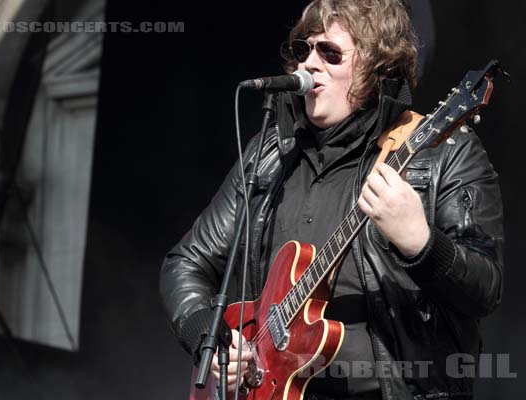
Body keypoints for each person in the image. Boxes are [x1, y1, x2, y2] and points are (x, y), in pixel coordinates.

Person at [160, 0, 504, 399]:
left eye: (330, 53)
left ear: (378, 67)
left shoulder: (443, 153)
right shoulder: (269, 156)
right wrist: (210, 336)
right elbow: (187, 261)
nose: (309, 64)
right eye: (303, 50)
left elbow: (486, 288)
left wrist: (422, 244)